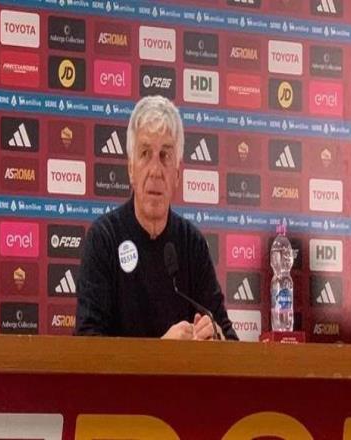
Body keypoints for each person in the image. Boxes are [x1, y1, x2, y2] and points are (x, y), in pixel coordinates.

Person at [75, 96, 238, 340]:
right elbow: (87, 343)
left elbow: (229, 338)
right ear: (131, 168)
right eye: (145, 154)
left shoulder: (192, 244)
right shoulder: (103, 239)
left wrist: (217, 338)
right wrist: (162, 351)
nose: (155, 170)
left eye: (165, 156)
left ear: (177, 174)